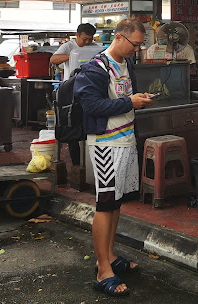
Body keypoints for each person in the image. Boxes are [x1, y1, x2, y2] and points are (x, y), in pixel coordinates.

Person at [74, 19, 154, 297]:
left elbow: (121, 97)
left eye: (140, 45)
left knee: (116, 202)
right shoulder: (95, 68)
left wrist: (135, 99)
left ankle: (109, 256)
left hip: (125, 140)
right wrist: (129, 103)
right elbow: (91, 105)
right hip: (105, 144)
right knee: (105, 203)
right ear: (119, 38)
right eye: (135, 44)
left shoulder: (126, 65)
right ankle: (102, 269)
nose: (137, 49)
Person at [50, 23, 97, 165]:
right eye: (84, 39)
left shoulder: (95, 48)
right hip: (70, 92)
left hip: (90, 91)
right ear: (77, 35)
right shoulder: (69, 46)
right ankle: (77, 164)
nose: (87, 42)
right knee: (73, 126)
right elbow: (53, 59)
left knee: (88, 125)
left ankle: (90, 162)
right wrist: (74, 55)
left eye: (90, 39)